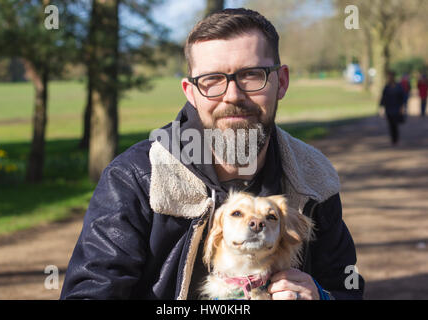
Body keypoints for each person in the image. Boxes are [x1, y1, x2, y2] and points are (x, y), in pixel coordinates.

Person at [60, 8, 364, 300]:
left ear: (281, 82)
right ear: (190, 91)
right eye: (212, 80)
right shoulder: (136, 178)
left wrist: (323, 297)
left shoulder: (314, 179)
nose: (233, 95)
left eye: (252, 75)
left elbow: (346, 288)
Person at [379, 71, 405, 145]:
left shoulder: (398, 86)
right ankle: (393, 139)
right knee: (390, 124)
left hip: (396, 108)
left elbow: (402, 97)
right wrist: (381, 107)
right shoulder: (386, 87)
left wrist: (402, 107)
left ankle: (396, 138)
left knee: (395, 124)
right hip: (389, 108)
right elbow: (383, 98)